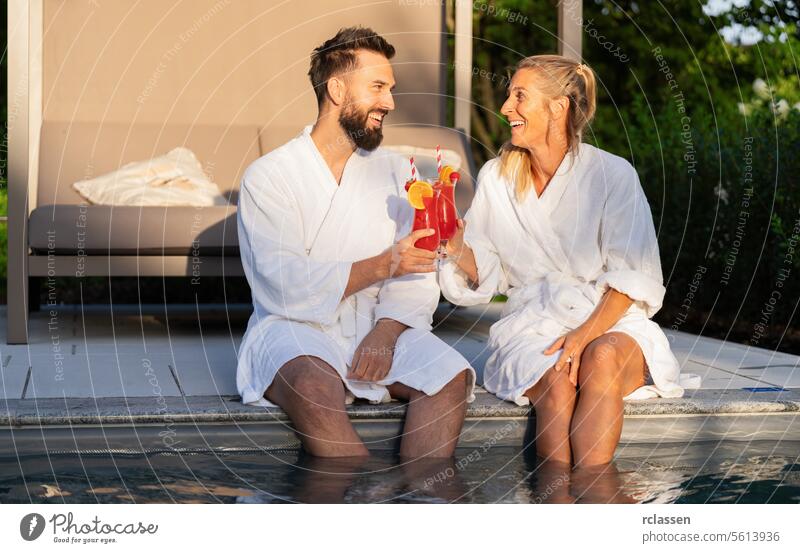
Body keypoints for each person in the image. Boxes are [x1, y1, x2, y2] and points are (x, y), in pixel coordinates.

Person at [439, 55, 699, 468]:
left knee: (601, 357)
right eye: (509, 96)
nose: (506, 108)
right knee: (558, 383)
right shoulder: (497, 177)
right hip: (531, 324)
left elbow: (634, 275)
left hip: (608, 319)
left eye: (519, 96)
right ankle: (558, 507)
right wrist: (454, 246)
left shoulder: (612, 175)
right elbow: (484, 272)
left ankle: (594, 500)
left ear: (558, 107)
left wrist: (582, 335)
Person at [236, 27, 475, 459]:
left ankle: (425, 494)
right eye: (378, 87)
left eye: (391, 89)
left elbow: (418, 266)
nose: (390, 102)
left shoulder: (396, 170)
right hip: (294, 329)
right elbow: (282, 285)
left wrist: (386, 330)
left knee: (448, 377)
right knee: (312, 385)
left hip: (379, 323)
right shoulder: (270, 177)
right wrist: (383, 265)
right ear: (337, 88)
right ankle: (358, 495)